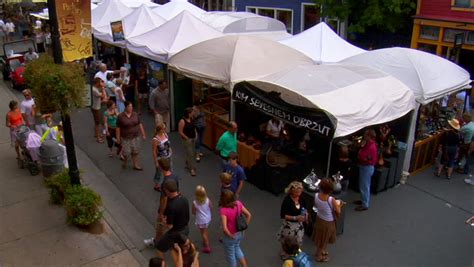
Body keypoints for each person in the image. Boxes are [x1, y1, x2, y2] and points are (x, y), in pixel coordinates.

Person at [145, 179, 190, 259]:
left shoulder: (171, 206)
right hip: (185, 228)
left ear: (167, 191)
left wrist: (163, 222)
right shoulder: (184, 199)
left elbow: (169, 226)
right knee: (177, 246)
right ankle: (185, 251)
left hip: (175, 233)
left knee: (159, 248)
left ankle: (162, 264)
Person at [312, 179, 342, 263]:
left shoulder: (316, 195)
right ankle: (319, 256)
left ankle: (320, 251)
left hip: (319, 219)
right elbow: (338, 211)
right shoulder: (331, 199)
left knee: (321, 237)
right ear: (331, 189)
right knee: (325, 239)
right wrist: (339, 205)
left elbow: (316, 206)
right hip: (328, 222)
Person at [219, 189, 251, 267]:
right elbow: (249, 215)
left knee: (231, 256)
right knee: (237, 248)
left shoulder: (223, 210)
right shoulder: (238, 204)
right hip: (240, 233)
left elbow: (225, 229)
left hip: (231, 236)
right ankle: (244, 265)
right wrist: (244, 226)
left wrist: (230, 236)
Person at [277, 181, 307, 259]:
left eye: (300, 192)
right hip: (289, 225)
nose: (298, 194)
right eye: (296, 192)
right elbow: (283, 215)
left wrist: (306, 215)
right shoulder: (287, 201)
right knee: (288, 241)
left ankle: (295, 252)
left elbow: (304, 208)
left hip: (299, 225)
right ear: (291, 191)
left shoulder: (302, 198)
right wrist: (295, 218)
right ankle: (286, 253)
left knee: (298, 240)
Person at [116, 101, 146, 170]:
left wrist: (143, 134)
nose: (131, 108)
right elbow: (118, 128)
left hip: (136, 136)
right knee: (126, 153)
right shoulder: (120, 116)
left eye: (131, 106)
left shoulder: (135, 114)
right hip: (126, 137)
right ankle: (125, 161)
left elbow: (140, 124)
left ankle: (135, 165)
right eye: (129, 106)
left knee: (135, 151)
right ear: (125, 107)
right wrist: (118, 138)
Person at [354, 129, 378, 211]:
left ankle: (365, 204)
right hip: (365, 167)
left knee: (365, 186)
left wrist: (360, 152)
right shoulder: (369, 144)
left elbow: (363, 157)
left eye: (366, 135)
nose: (364, 136)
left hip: (367, 168)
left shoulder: (371, 147)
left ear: (369, 136)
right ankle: (363, 200)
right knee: (363, 185)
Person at [192, 185, 212, 254]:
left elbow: (193, 212)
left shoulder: (195, 203)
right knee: (205, 230)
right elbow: (211, 207)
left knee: (202, 233)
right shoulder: (207, 200)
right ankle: (205, 240)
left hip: (201, 220)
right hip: (208, 218)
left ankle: (207, 246)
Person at [152, 123, 172, 191]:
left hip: (168, 156)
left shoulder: (165, 134)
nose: (164, 129)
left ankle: (168, 183)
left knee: (169, 170)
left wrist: (170, 150)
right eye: (163, 128)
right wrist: (156, 162)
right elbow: (154, 151)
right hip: (161, 158)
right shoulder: (155, 139)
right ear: (159, 130)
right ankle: (157, 185)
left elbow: (168, 144)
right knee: (159, 172)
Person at [178, 107, 197, 176]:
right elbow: (180, 131)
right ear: (188, 114)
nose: (193, 113)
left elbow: (194, 127)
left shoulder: (192, 119)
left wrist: (196, 135)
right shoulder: (182, 121)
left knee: (192, 152)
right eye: (192, 113)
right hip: (187, 140)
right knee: (190, 154)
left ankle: (187, 162)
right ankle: (192, 169)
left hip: (193, 138)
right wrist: (187, 138)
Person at [91, 77, 106, 143]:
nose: (100, 83)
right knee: (97, 123)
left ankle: (96, 134)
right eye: (99, 82)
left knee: (96, 122)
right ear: (96, 83)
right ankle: (98, 137)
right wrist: (103, 88)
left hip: (95, 106)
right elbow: (103, 96)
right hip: (96, 108)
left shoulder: (93, 88)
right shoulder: (94, 90)